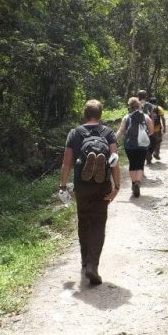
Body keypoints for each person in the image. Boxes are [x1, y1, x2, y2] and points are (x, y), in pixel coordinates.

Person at [59, 100, 120, 285]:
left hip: (81, 185)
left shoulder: (75, 133)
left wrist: (63, 186)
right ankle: (93, 265)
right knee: (98, 224)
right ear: (100, 115)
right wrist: (117, 186)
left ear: (85, 114)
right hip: (102, 187)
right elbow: (115, 161)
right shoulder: (108, 133)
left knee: (84, 220)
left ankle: (85, 262)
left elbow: (67, 163)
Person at [116, 96, 153, 197]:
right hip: (142, 145)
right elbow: (151, 130)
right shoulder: (145, 116)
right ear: (139, 105)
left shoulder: (126, 117)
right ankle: (138, 183)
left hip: (129, 145)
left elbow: (121, 130)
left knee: (132, 164)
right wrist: (145, 136)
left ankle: (133, 183)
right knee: (140, 164)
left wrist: (113, 139)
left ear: (129, 106)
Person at [145, 97, 166, 163]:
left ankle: (148, 157)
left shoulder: (146, 108)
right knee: (158, 141)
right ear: (156, 102)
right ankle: (156, 153)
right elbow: (162, 118)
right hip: (157, 128)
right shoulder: (158, 108)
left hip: (147, 129)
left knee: (148, 143)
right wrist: (164, 127)